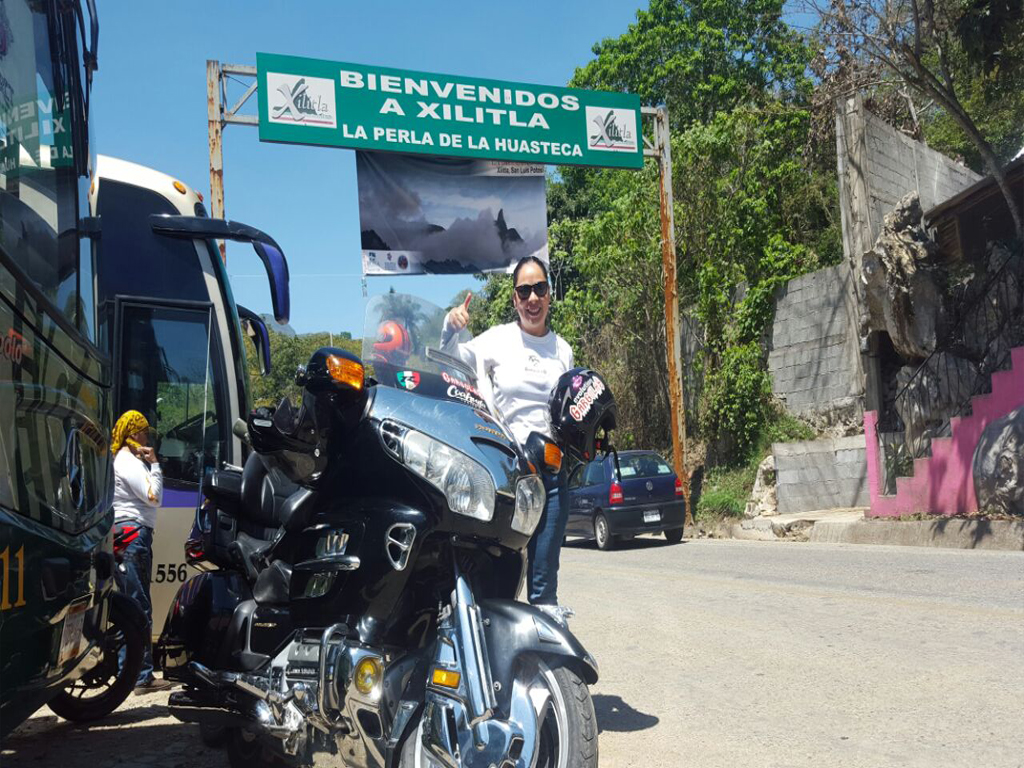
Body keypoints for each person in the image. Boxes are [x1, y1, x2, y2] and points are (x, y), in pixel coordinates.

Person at [442, 256, 575, 623]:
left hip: (553, 470)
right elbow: (455, 361)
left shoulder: (563, 350)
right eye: (524, 291)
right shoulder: (498, 339)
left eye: (540, 289)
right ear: (514, 299)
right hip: (509, 472)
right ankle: (488, 646)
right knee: (498, 572)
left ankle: (544, 658)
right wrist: (451, 327)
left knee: (545, 587)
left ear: (550, 294)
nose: (533, 298)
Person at [110, 410, 172, 694]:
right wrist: (155, 464)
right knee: (138, 606)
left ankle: (130, 671)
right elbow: (154, 496)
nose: (148, 437)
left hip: (130, 537)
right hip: (134, 538)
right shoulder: (128, 461)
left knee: (130, 605)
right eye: (145, 432)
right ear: (134, 435)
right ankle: (141, 675)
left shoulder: (123, 460)